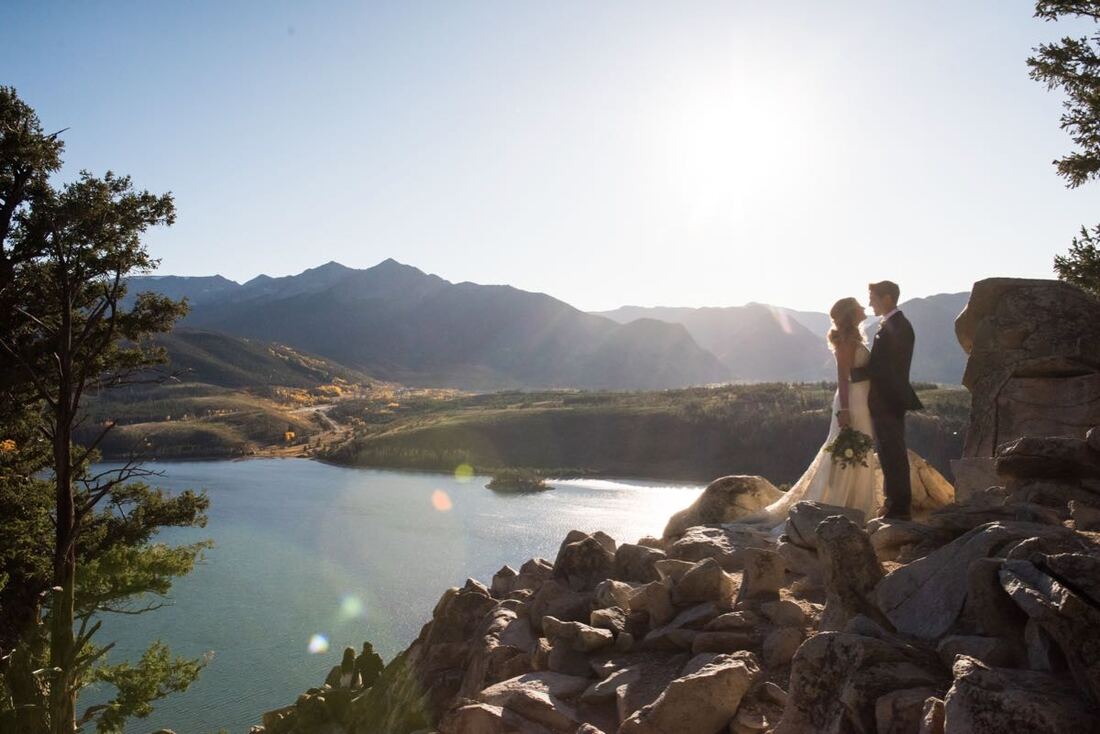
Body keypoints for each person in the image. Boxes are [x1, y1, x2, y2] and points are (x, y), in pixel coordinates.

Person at [742, 296, 883, 531]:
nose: (864, 308)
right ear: (851, 313)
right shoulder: (846, 342)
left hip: (862, 401)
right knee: (846, 453)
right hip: (853, 403)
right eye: (859, 306)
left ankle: (857, 506)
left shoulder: (855, 339)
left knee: (859, 450)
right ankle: (840, 506)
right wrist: (845, 411)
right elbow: (843, 377)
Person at [862, 280, 923, 520]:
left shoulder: (898, 326)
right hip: (887, 400)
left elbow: (886, 368)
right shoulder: (894, 324)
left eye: (873, 297)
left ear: (887, 298)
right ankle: (893, 503)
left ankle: (899, 508)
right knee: (887, 452)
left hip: (888, 400)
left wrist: (854, 373)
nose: (870, 303)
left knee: (893, 453)